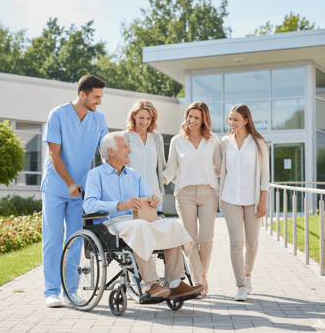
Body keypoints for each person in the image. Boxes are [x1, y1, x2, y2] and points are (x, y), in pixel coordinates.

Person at [83, 132, 203, 299]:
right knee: (140, 226)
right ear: (111, 151)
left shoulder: (133, 174)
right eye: (125, 146)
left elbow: (147, 198)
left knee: (172, 225)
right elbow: (88, 205)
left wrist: (152, 199)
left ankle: (175, 284)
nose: (129, 150)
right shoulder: (96, 175)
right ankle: (151, 284)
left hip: (140, 220)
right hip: (112, 224)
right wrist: (119, 205)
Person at [41, 75, 108, 308]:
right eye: (96, 96)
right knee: (52, 239)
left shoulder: (98, 119)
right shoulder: (57, 115)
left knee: (76, 239)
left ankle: (71, 290)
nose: (99, 101)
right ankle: (51, 291)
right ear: (83, 94)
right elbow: (54, 154)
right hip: (56, 187)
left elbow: (106, 153)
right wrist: (69, 182)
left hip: (80, 191)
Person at [163, 102, 221, 298]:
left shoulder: (212, 140)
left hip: (208, 192)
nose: (192, 120)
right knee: (189, 239)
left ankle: (201, 276)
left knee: (205, 240)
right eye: (190, 116)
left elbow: (220, 168)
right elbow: (171, 168)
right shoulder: (177, 141)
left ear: (204, 119)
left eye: (197, 117)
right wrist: (159, 180)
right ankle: (199, 282)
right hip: (185, 192)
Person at [219, 104, 269, 302]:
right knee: (236, 243)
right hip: (230, 197)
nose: (232, 123)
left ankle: (247, 274)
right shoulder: (225, 142)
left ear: (246, 120)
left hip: (253, 199)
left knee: (252, 243)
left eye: (236, 120)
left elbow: (265, 174)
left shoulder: (258, 143)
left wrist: (263, 200)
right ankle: (240, 285)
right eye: (230, 119)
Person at [122, 100, 165, 211]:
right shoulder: (125, 137)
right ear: (134, 116)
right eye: (141, 118)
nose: (145, 122)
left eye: (148, 118)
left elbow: (162, 166)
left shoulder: (156, 137)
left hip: (154, 197)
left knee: (155, 228)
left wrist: (165, 178)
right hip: (132, 198)